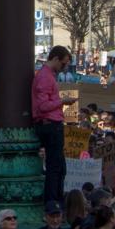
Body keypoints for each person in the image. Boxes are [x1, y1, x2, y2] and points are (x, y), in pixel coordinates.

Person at [32, 45, 70, 203]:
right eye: (64, 63)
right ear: (55, 59)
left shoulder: (47, 76)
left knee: (59, 168)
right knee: (55, 168)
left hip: (50, 124)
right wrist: (63, 101)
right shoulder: (45, 77)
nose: (65, 67)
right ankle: (53, 201)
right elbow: (43, 106)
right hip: (50, 125)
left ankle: (54, 200)